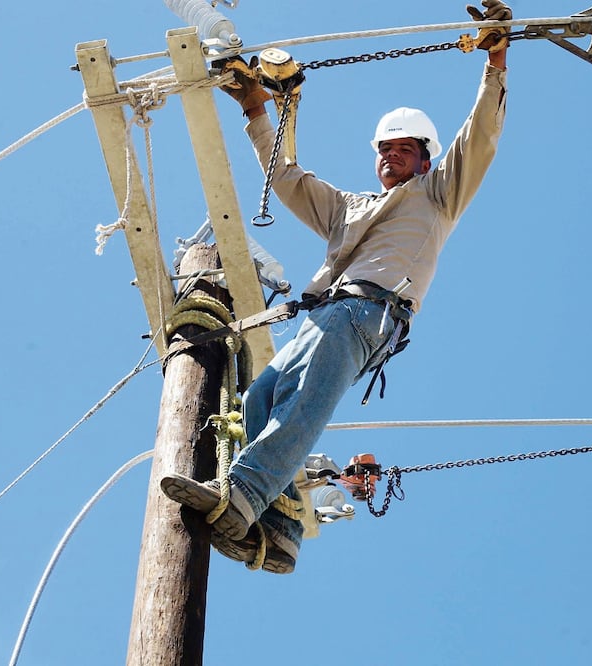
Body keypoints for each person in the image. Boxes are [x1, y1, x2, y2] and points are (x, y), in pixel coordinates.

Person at [161, 0, 512, 574]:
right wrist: (256, 109)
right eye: (384, 150)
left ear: (424, 160)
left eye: (403, 150)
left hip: (368, 312)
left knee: (303, 407)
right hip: (324, 316)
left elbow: (481, 137)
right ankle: (276, 528)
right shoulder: (349, 209)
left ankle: (242, 495)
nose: (390, 157)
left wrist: (495, 57)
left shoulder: (438, 194)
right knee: (260, 399)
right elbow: (287, 177)